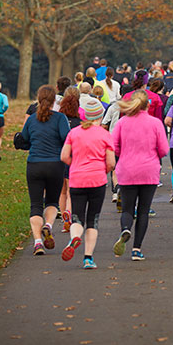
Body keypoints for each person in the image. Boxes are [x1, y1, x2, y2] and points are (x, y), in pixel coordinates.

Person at [111, 90, 170, 261]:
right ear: (148, 105)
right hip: (149, 170)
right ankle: (136, 249)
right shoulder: (155, 123)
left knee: (128, 208)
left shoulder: (122, 122)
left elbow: (113, 146)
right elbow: (164, 149)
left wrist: (124, 153)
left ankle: (125, 228)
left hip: (127, 169)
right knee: (143, 211)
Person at [60, 97, 116, 269]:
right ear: (99, 116)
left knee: (77, 216)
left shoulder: (73, 133)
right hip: (97, 180)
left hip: (77, 179)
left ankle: (74, 237)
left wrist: (75, 165)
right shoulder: (105, 135)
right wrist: (103, 170)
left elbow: (63, 156)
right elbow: (111, 162)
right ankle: (88, 258)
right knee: (93, 219)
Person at [20, 85, 71, 255]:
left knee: (35, 204)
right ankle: (48, 225)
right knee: (51, 201)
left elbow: (24, 140)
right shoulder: (60, 118)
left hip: (34, 164)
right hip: (55, 165)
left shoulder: (32, 119)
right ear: (54, 100)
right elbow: (67, 139)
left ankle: (37, 242)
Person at [58, 86, 82, 232]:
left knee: (61, 191)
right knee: (70, 191)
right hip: (73, 159)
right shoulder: (79, 124)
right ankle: (69, 213)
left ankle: (63, 219)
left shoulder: (58, 121)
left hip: (58, 157)